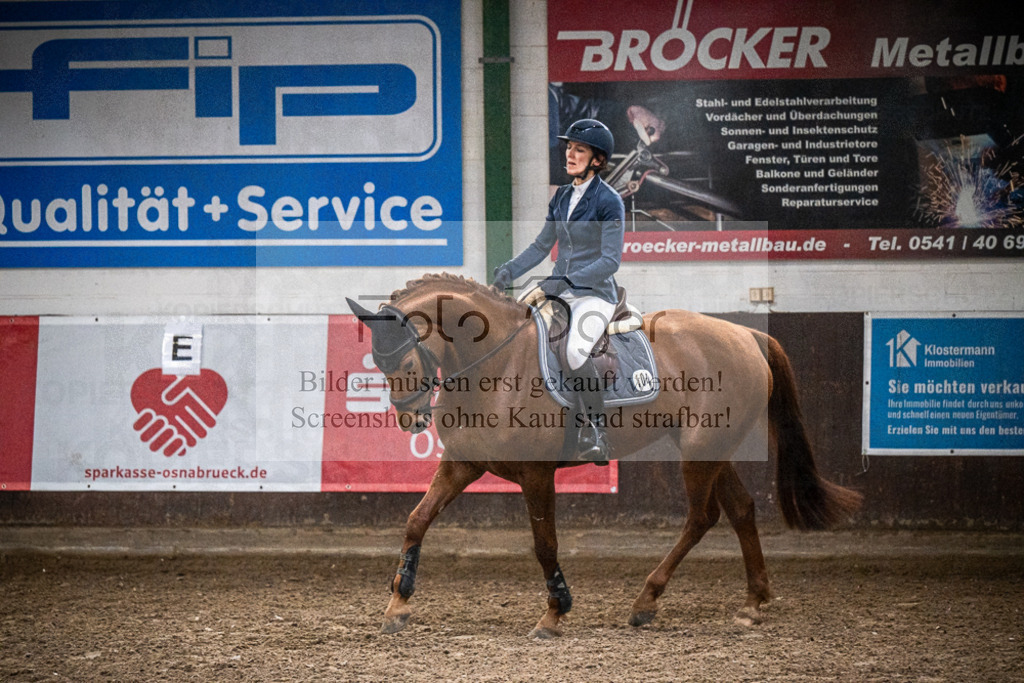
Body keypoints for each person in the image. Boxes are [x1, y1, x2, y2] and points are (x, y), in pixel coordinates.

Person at [493, 119, 625, 464]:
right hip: (558, 291)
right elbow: (541, 245)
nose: (570, 153)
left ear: (597, 160)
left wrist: (566, 282)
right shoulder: (562, 195)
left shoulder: (609, 201)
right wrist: (508, 271)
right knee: (517, 335)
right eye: (568, 147)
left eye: (579, 149)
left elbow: (610, 261)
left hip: (594, 295)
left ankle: (596, 430)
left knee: (576, 351)